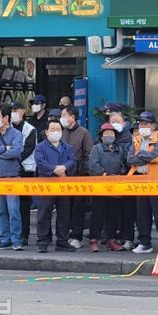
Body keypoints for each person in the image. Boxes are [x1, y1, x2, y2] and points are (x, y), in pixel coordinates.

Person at [0, 105, 24, 251]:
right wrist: (3, 148)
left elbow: (16, 152)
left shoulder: (16, 134)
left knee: (13, 209)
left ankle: (16, 239)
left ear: (6, 118)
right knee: (0, 210)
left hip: (12, 176)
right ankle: (4, 237)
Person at [34, 120, 76, 253]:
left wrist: (64, 167)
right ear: (46, 132)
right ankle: (43, 241)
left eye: (58, 129)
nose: (55, 132)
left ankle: (62, 241)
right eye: (52, 129)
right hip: (46, 183)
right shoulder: (40, 147)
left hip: (63, 183)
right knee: (44, 213)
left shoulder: (67, 147)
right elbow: (40, 162)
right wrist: (53, 169)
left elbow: (72, 160)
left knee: (64, 213)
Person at [128, 111, 158, 254]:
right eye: (141, 124)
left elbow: (155, 156)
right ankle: (144, 243)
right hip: (140, 180)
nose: (142, 126)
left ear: (153, 126)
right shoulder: (136, 140)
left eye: (146, 123)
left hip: (156, 181)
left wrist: (140, 155)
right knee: (141, 214)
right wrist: (144, 157)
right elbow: (130, 159)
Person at [88, 123, 129, 253]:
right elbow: (93, 165)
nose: (109, 136)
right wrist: (105, 174)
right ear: (101, 136)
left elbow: (123, 165)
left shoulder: (119, 149)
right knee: (97, 214)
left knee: (113, 214)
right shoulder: (96, 148)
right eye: (106, 134)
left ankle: (111, 239)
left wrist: (119, 174)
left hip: (115, 187)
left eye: (111, 134)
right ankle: (93, 240)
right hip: (100, 186)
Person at [61, 105, 94, 249]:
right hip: (62, 177)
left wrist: (83, 172)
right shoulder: (61, 133)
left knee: (78, 208)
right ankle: (64, 234)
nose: (62, 119)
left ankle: (76, 235)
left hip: (79, 176)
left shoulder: (83, 133)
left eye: (64, 115)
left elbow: (89, 154)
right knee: (64, 207)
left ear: (72, 117)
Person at [10, 102, 37, 246]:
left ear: (23, 111)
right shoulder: (7, 126)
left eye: (17, 110)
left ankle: (24, 234)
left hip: (26, 170)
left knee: (23, 205)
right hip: (8, 170)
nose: (14, 113)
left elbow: (28, 149)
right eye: (12, 110)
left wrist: (12, 155)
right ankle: (10, 232)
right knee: (10, 204)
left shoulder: (30, 129)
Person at [108, 109, 135, 250]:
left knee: (128, 210)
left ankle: (128, 237)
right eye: (112, 122)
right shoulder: (106, 137)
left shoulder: (129, 138)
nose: (115, 124)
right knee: (113, 211)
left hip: (127, 179)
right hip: (111, 181)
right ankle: (113, 236)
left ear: (124, 123)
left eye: (118, 122)